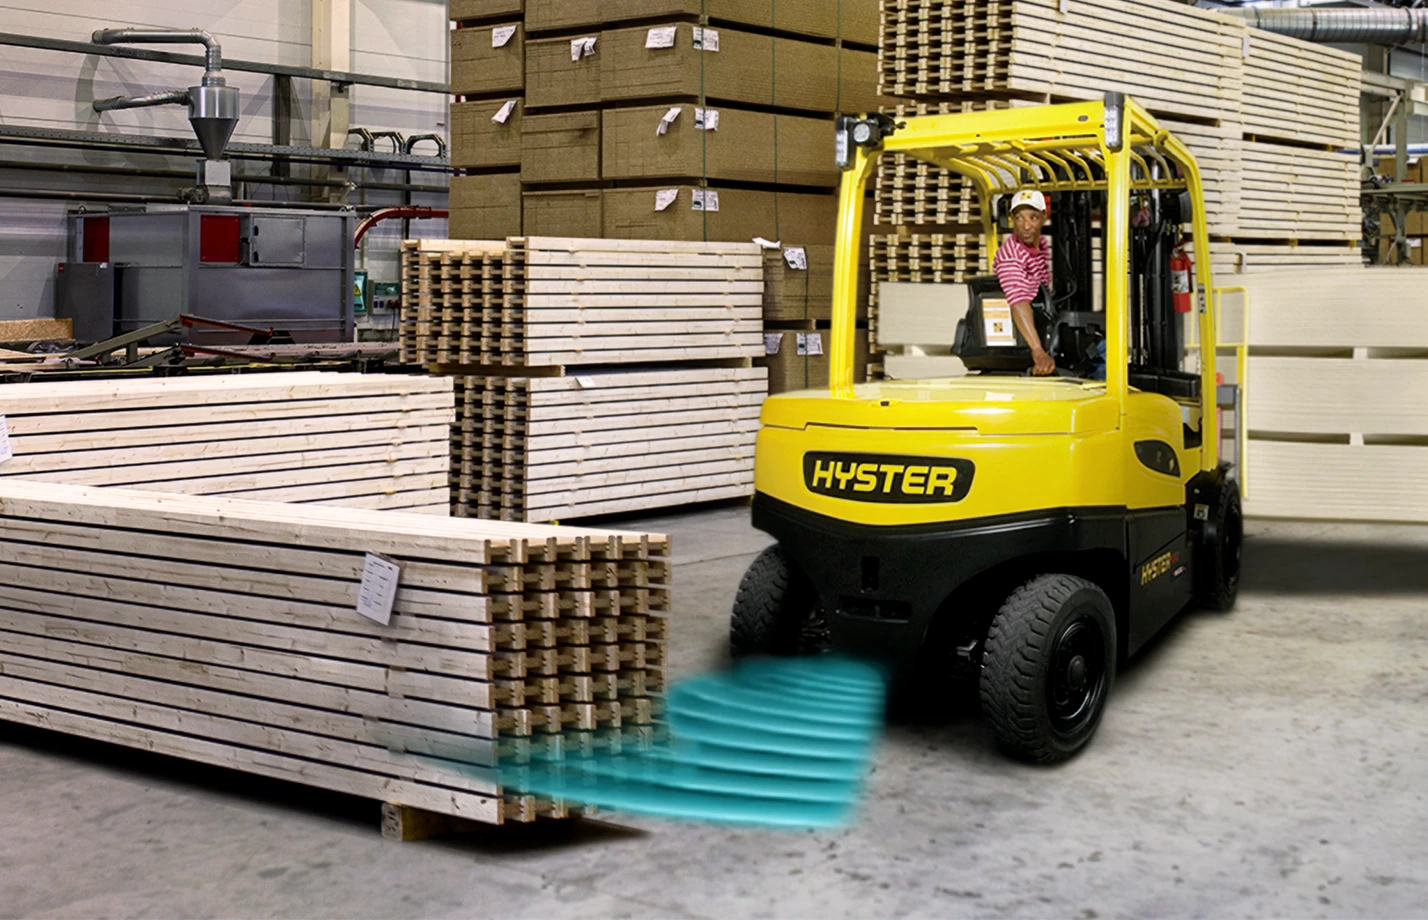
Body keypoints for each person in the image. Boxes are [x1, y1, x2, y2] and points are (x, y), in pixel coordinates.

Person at [993, 189, 1055, 376]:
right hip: (1027, 340)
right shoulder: (1011, 256)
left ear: (1044, 217)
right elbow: (1018, 300)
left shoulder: (1041, 245)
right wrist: (1038, 351)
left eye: (1033, 218)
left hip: (1043, 325)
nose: (1026, 226)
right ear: (1012, 219)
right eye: (1019, 218)